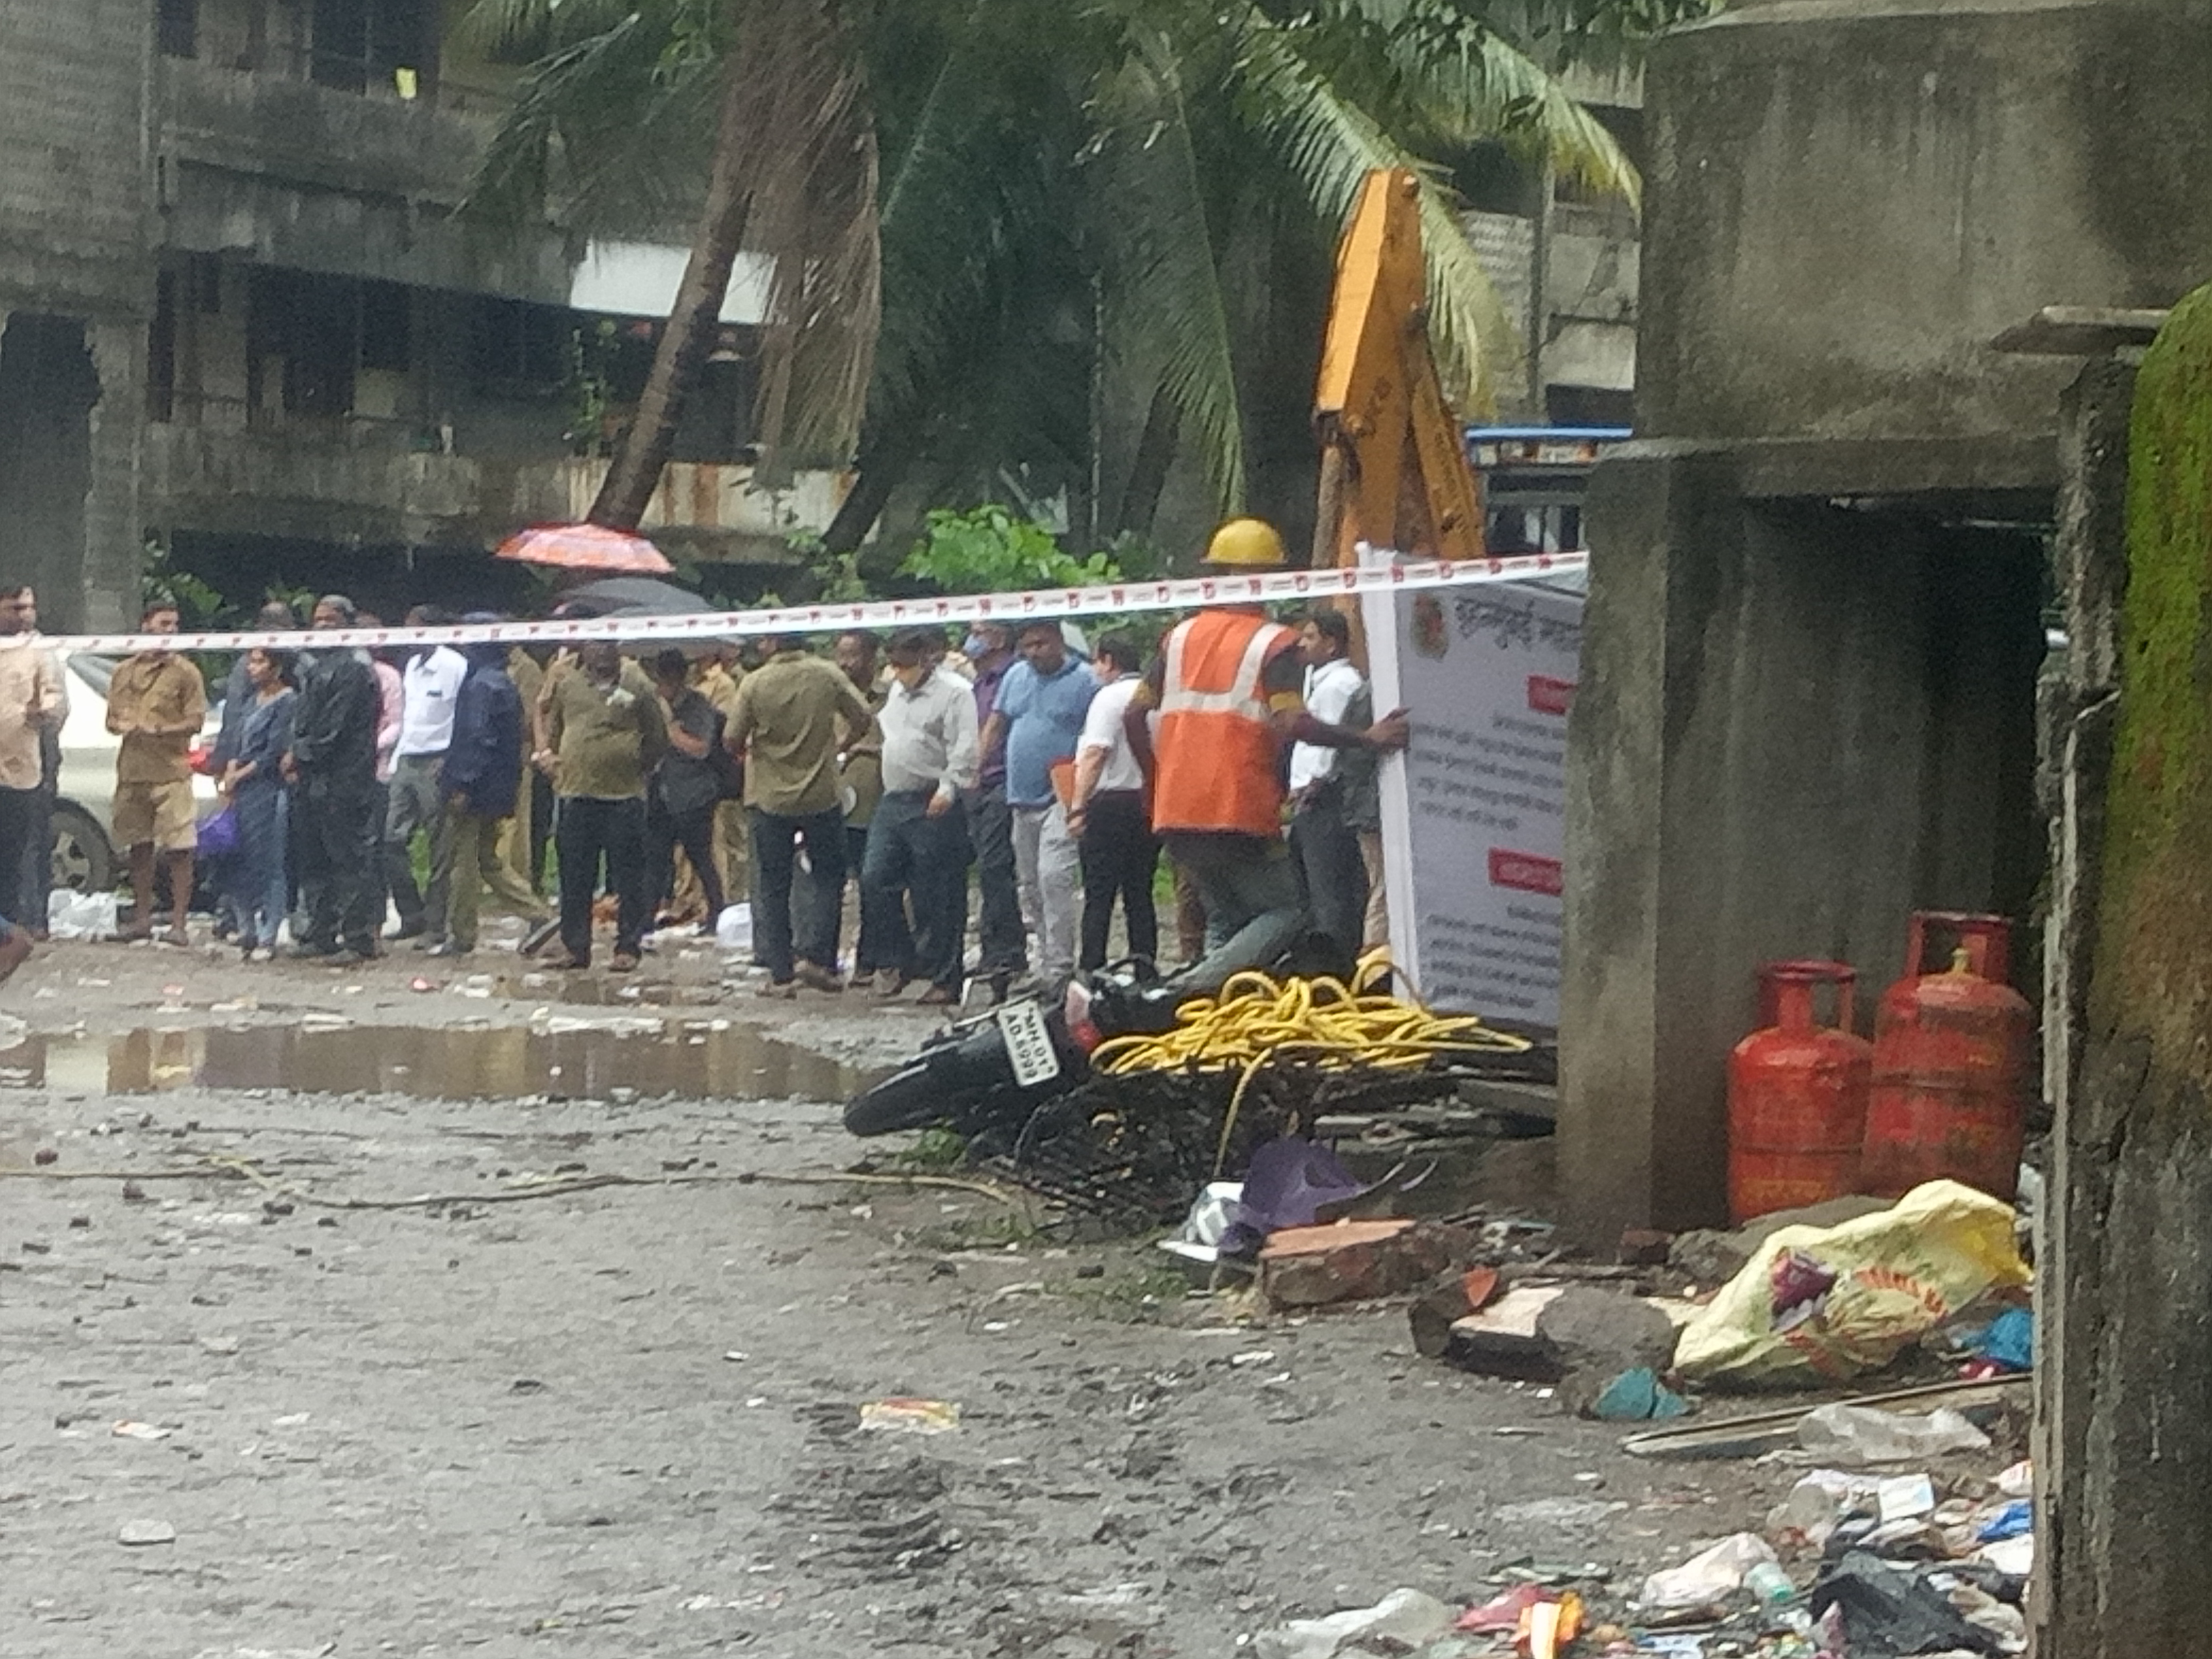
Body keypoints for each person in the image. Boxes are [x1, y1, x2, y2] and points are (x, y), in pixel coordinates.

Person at [1126, 518, 1406, 959]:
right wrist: (1368, 738)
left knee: (1225, 916)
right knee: (1290, 911)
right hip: (1236, 805)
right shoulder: (1276, 644)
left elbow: (1134, 713)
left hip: (1177, 807)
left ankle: (1211, 1004)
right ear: (1268, 579)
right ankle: (1195, 990)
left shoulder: (1178, 638)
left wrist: (1153, 782)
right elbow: (1293, 722)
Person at [725, 633, 873, 997]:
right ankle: (820, 961)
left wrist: (757, 748)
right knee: (828, 878)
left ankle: (781, 974)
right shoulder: (826, 675)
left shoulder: (754, 683)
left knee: (774, 886)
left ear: (772, 645)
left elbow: (731, 738)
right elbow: (863, 716)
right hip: (822, 795)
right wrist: (840, 745)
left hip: (770, 798)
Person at [861, 628, 979, 1005]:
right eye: (894, 665)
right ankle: (899, 959)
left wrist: (949, 788)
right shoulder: (896, 689)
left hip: (933, 798)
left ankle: (945, 976)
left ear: (927, 659)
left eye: (906, 665)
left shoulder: (956, 693)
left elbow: (965, 746)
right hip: (895, 798)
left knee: (939, 892)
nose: (900, 672)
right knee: (875, 878)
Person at [536, 641, 667, 971]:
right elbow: (554, 730)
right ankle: (575, 947)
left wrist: (638, 765)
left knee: (628, 875)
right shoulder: (569, 685)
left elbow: (657, 736)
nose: (604, 661)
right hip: (576, 794)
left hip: (623, 797)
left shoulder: (638, 687)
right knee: (575, 875)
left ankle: (628, 946)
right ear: (586, 657)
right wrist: (551, 758)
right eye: (597, 653)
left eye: (610, 654)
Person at [979, 619, 1094, 989]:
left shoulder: (1086, 681)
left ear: (1060, 642)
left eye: (1042, 644)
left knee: (1054, 877)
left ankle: (1061, 967)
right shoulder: (1016, 677)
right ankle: (1046, 962)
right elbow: (997, 724)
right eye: (1028, 646)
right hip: (1020, 796)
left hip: (1062, 795)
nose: (1035, 652)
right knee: (1029, 883)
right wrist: (976, 766)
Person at [434, 629, 551, 958]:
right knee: (490, 860)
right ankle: (538, 915)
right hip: (498, 788)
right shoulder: (503, 683)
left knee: (464, 862)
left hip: (475, 789)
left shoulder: (480, 687)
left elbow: (477, 739)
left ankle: (462, 934)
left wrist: (462, 784)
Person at [284, 594, 383, 962]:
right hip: (314, 779)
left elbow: (334, 729)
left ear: (348, 623)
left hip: (345, 778)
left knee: (349, 858)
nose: (323, 626)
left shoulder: (354, 667)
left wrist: (302, 752)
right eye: (318, 620)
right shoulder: (317, 666)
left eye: (331, 620)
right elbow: (305, 719)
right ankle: (320, 932)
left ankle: (358, 938)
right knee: (315, 859)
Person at [107, 601, 208, 943]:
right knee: (138, 846)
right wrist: (123, 725)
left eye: (175, 625)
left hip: (171, 772)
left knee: (179, 848)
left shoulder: (186, 673)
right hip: (133, 771)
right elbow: (110, 720)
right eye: (164, 624)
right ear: (145, 625)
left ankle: (179, 924)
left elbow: (196, 720)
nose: (171, 631)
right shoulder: (123, 672)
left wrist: (161, 730)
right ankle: (141, 918)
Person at [1067, 632, 1158, 971]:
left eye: (1097, 661)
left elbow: (1095, 753)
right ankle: (1144, 966)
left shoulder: (1109, 698)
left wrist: (1077, 806)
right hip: (1148, 799)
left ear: (1108, 661)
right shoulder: (1154, 697)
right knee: (1140, 892)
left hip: (1110, 802)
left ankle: (1092, 968)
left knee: (1099, 894)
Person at [1286, 608, 1372, 957]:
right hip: (1310, 799)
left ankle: (1335, 963)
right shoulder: (1320, 682)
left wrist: (1315, 783)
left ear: (1332, 644)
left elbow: (1335, 739)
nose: (1302, 644)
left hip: (1323, 799)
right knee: (1313, 889)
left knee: (1329, 891)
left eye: (1310, 637)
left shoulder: (1339, 685)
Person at [385, 606, 465, 944]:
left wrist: (453, 762)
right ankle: (411, 913)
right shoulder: (412, 667)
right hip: (408, 758)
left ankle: (436, 925)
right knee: (391, 839)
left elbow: (461, 715)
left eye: (416, 628)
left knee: (440, 847)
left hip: (438, 758)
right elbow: (411, 718)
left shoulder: (454, 666)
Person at [217, 647, 296, 959]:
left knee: (270, 861)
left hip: (267, 788)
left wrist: (242, 774)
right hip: (242, 789)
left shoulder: (287, 701)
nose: (252, 668)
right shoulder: (252, 701)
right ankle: (246, 926)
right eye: (251, 661)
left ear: (276, 668)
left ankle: (269, 932)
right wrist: (230, 772)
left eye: (260, 661)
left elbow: (273, 751)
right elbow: (238, 742)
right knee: (238, 859)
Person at [644, 649, 728, 937]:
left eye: (666, 678)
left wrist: (671, 732)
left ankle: (717, 912)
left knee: (700, 856)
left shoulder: (697, 706)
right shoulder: (654, 704)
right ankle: (647, 916)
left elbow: (701, 748)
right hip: (661, 790)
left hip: (694, 792)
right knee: (656, 856)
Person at [962, 621, 1027, 993]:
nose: (972, 639)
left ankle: (1007, 951)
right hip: (979, 782)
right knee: (989, 871)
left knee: (996, 867)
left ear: (1000, 638)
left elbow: (998, 727)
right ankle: (994, 949)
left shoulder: (1014, 677)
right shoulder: (980, 681)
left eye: (980, 631)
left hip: (1003, 780)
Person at [0, 585, 65, 936]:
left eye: (27, 608)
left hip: (19, 772)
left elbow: (53, 695)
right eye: (14, 608)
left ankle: (9, 933)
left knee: (12, 855)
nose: (23, 615)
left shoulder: (37, 652)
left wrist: (44, 711)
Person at [694, 643, 750, 906]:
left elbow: (726, 731)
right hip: (693, 775)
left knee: (728, 839)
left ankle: (732, 900)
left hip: (721, 770)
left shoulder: (723, 684)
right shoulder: (690, 680)